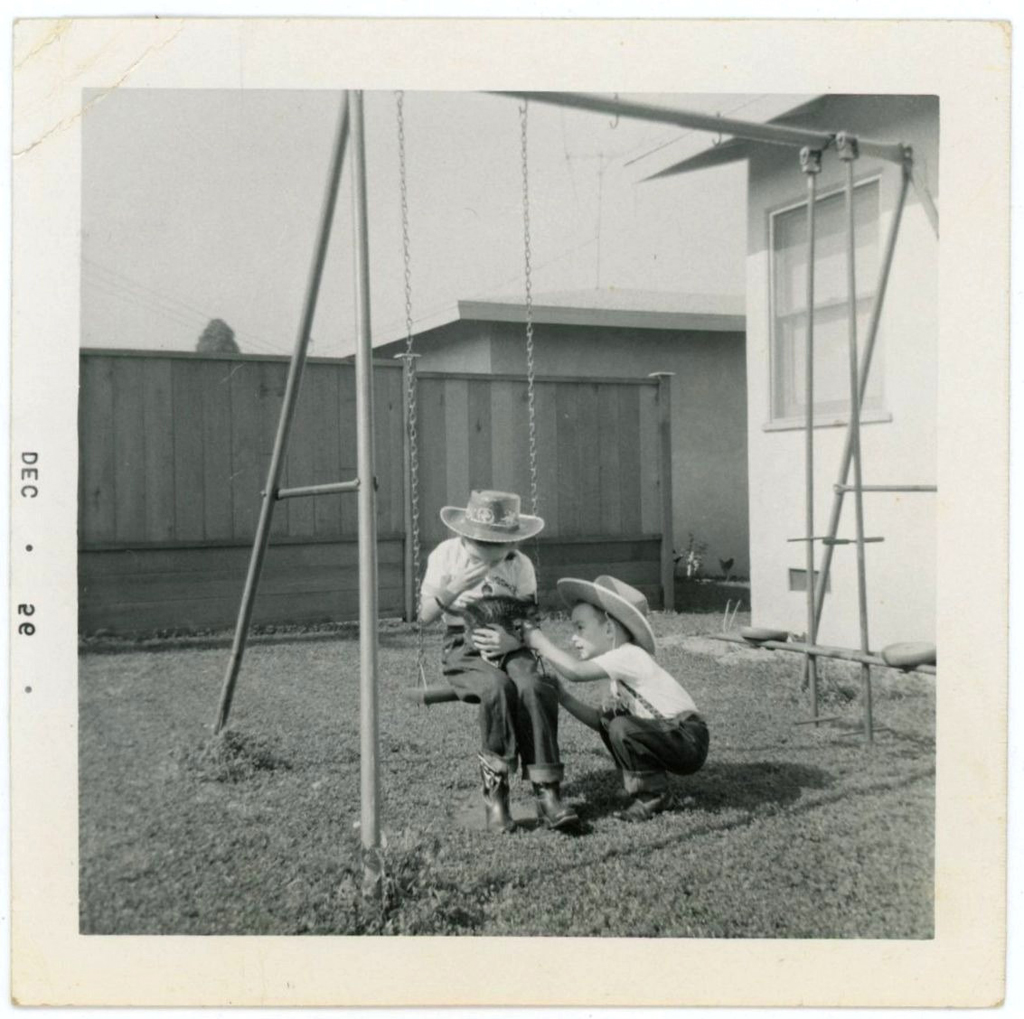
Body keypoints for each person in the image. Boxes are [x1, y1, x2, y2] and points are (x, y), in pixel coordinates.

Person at [419, 490, 579, 834]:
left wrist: (514, 639)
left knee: (536, 687)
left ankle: (547, 791)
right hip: (463, 644)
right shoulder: (446, 556)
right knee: (497, 688)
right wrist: (453, 587)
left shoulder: (520, 565)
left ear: (512, 543)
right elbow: (424, 616)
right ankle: (496, 796)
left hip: (512, 641)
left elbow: (529, 619)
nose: (490, 561)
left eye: (498, 551)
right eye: (483, 551)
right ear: (466, 536)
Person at [523, 575, 709, 822]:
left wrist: (539, 642)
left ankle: (654, 794)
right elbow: (602, 723)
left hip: (688, 737)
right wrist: (564, 697)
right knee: (613, 719)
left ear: (609, 628)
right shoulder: (616, 673)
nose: (573, 638)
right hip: (672, 736)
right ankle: (643, 782)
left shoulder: (630, 655)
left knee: (621, 724)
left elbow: (576, 672)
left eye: (580, 628)